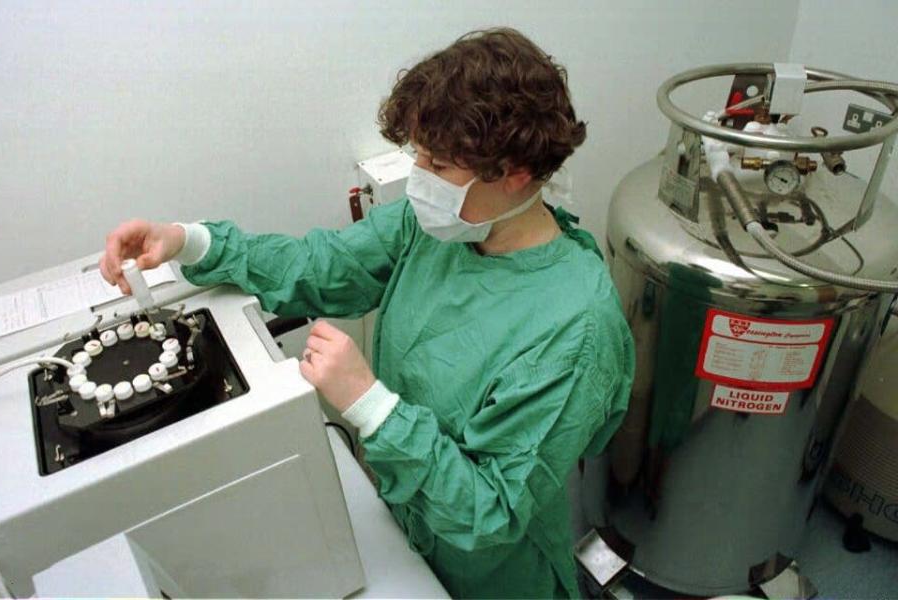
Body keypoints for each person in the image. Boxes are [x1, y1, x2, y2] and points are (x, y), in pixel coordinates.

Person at [101, 27, 633, 599]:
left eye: (438, 164)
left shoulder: (575, 329)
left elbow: (490, 511)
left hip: (492, 576)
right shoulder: (436, 229)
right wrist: (189, 242)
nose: (419, 178)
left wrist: (371, 406)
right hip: (407, 526)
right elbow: (320, 265)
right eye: (418, 157)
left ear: (515, 173)